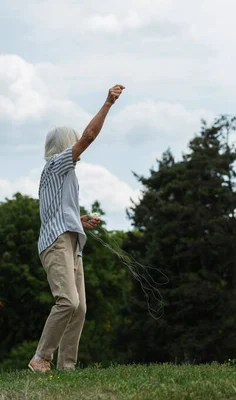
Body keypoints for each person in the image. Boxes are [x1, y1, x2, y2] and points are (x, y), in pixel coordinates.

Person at [28, 84, 125, 373]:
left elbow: (53, 211)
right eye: (74, 142)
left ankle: (67, 366)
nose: (78, 146)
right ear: (66, 144)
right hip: (56, 243)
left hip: (70, 240)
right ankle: (40, 358)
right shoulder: (57, 164)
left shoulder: (59, 173)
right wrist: (107, 103)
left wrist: (79, 220)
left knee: (79, 308)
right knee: (68, 301)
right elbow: (90, 136)